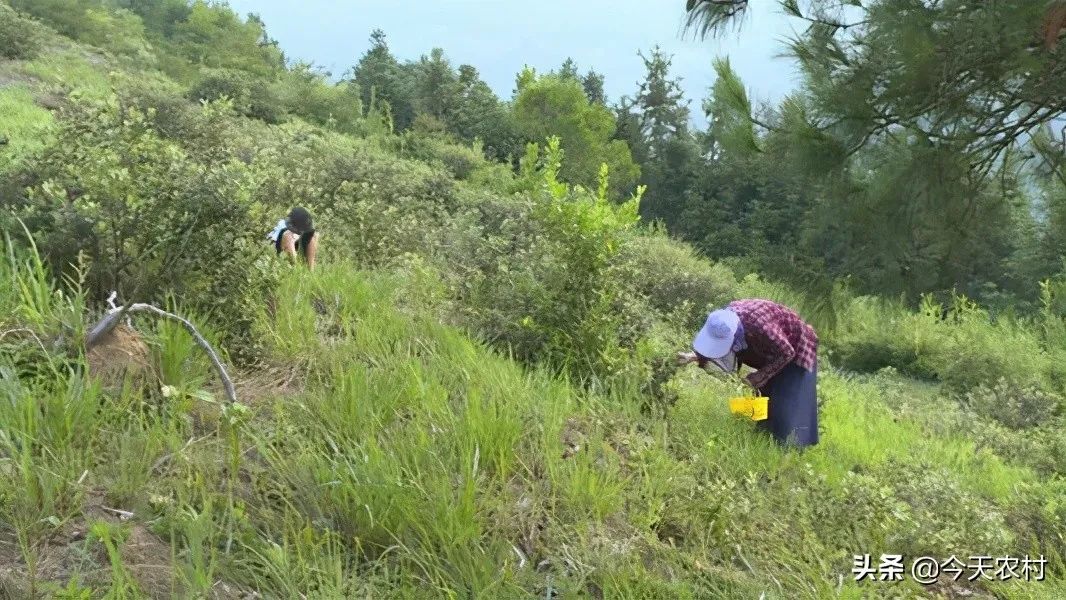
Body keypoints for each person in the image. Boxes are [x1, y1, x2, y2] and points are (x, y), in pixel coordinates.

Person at [677, 299, 819, 448]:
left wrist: (758, 376)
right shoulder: (721, 322)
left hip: (797, 349)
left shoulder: (759, 325)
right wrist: (695, 356)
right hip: (771, 351)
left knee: (786, 405)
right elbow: (715, 345)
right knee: (765, 399)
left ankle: (790, 449)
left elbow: (787, 353)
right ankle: (763, 438)